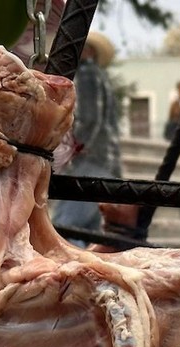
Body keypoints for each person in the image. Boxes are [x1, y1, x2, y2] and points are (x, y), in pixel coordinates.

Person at [50, 31, 122, 235]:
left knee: (64, 229)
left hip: (90, 162)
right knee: (89, 234)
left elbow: (89, 120)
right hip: (103, 163)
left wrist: (69, 153)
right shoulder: (99, 75)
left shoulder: (87, 73)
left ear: (88, 51)